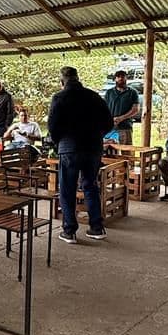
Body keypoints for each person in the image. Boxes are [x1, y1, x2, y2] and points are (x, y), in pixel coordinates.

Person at [46, 66, 113, 244]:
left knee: (67, 189)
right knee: (90, 185)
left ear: (62, 82)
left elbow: (52, 126)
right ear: (78, 78)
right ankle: (96, 228)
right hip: (93, 148)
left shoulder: (59, 97)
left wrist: (59, 141)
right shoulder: (94, 96)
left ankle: (69, 231)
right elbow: (109, 122)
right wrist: (97, 135)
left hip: (69, 148)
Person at [103, 70, 140, 145]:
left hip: (125, 127)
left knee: (126, 152)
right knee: (110, 152)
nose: (120, 78)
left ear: (126, 78)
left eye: (122, 76)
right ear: (115, 79)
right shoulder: (109, 92)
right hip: (110, 128)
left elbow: (136, 109)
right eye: (118, 77)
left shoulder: (132, 92)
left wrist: (121, 118)